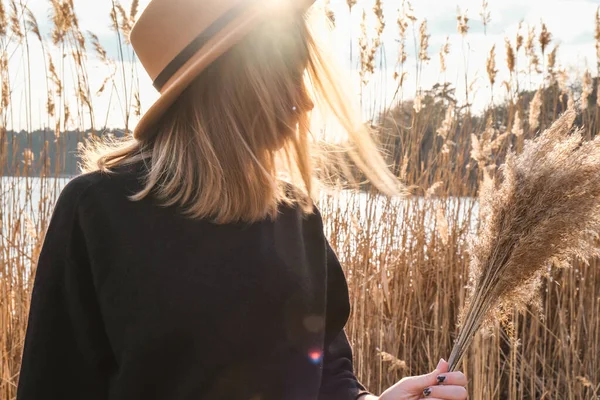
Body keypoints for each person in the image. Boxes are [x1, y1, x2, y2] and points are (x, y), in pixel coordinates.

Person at [17, 0, 468, 399]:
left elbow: (327, 374)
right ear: (237, 79)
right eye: (290, 74)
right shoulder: (97, 212)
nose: (307, 101)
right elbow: (52, 384)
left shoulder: (297, 217)